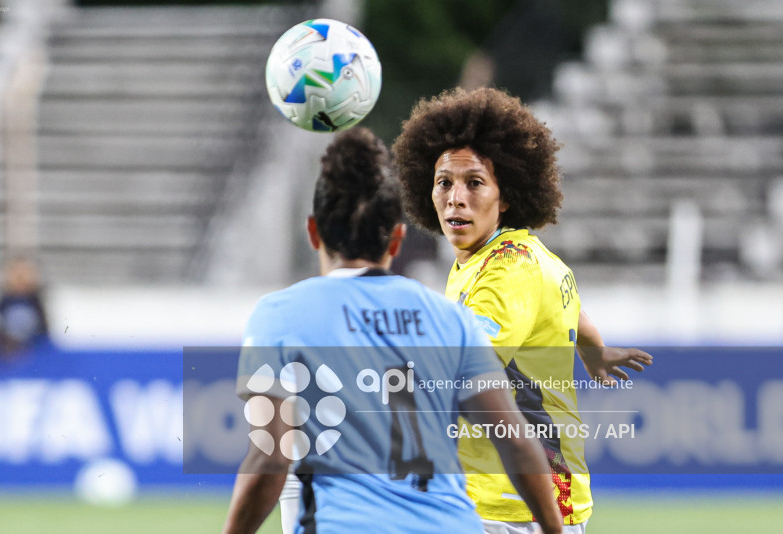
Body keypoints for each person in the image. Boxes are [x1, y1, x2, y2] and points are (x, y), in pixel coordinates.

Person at [222, 127, 563, 534]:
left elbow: (270, 459)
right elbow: (516, 441)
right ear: (397, 239)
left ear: (314, 232)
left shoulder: (279, 316)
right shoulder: (451, 319)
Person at [393, 87, 652, 533]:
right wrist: (594, 351)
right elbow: (573, 311)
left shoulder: (507, 271)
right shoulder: (521, 256)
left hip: (516, 508)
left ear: (507, 196)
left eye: (475, 183)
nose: (455, 198)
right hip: (515, 498)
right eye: (444, 182)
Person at [0, 255, 51, 361]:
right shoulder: (3, 302)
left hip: (33, 356)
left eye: (25, 273)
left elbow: (45, 334)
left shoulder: (37, 302)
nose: (20, 278)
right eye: (15, 273)